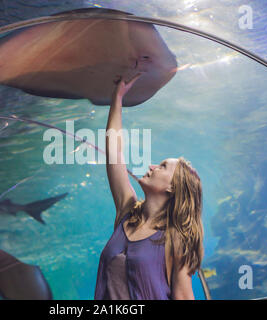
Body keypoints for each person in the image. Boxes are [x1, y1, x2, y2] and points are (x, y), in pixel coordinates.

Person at [94, 73, 204, 300]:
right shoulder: (127, 212)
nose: (153, 166)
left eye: (162, 166)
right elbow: (114, 154)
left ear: (172, 188)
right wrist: (117, 99)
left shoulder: (176, 239)